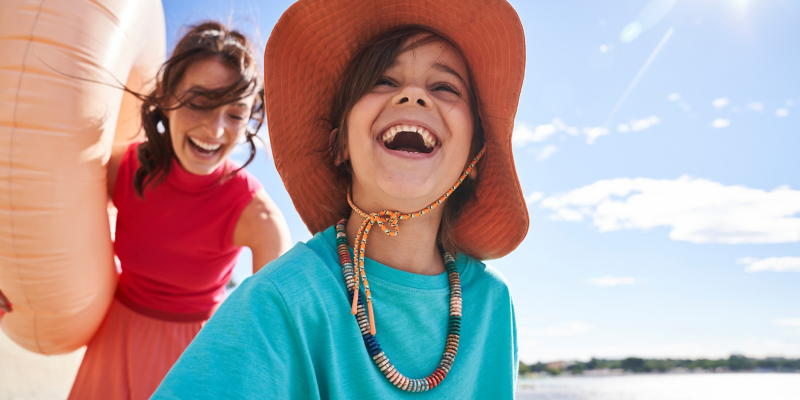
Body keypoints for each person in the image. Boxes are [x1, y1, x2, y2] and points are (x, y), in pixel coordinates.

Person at [152, 0, 528, 398]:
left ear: (474, 157)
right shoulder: (280, 301)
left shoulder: (492, 303)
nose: (414, 96)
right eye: (382, 80)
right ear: (339, 145)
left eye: (444, 87)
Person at [67, 21, 292, 400]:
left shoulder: (257, 216)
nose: (215, 129)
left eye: (235, 114)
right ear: (168, 99)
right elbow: (50, 228)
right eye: (199, 102)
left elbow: (276, 331)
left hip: (192, 361)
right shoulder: (123, 168)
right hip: (110, 342)